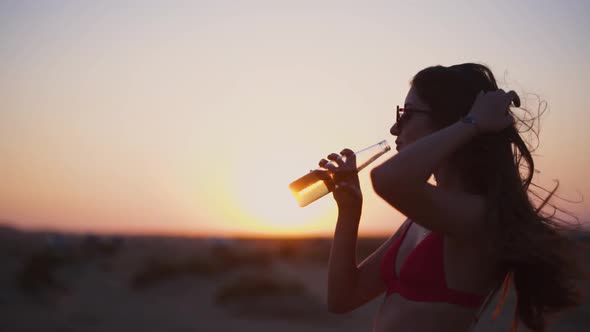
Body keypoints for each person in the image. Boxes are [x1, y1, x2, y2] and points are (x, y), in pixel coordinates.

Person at [322, 63, 589, 332]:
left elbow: (387, 179)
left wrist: (473, 123)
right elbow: (343, 297)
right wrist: (349, 209)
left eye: (407, 114)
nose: (394, 128)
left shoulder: (477, 215)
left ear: (449, 120)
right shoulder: (422, 219)